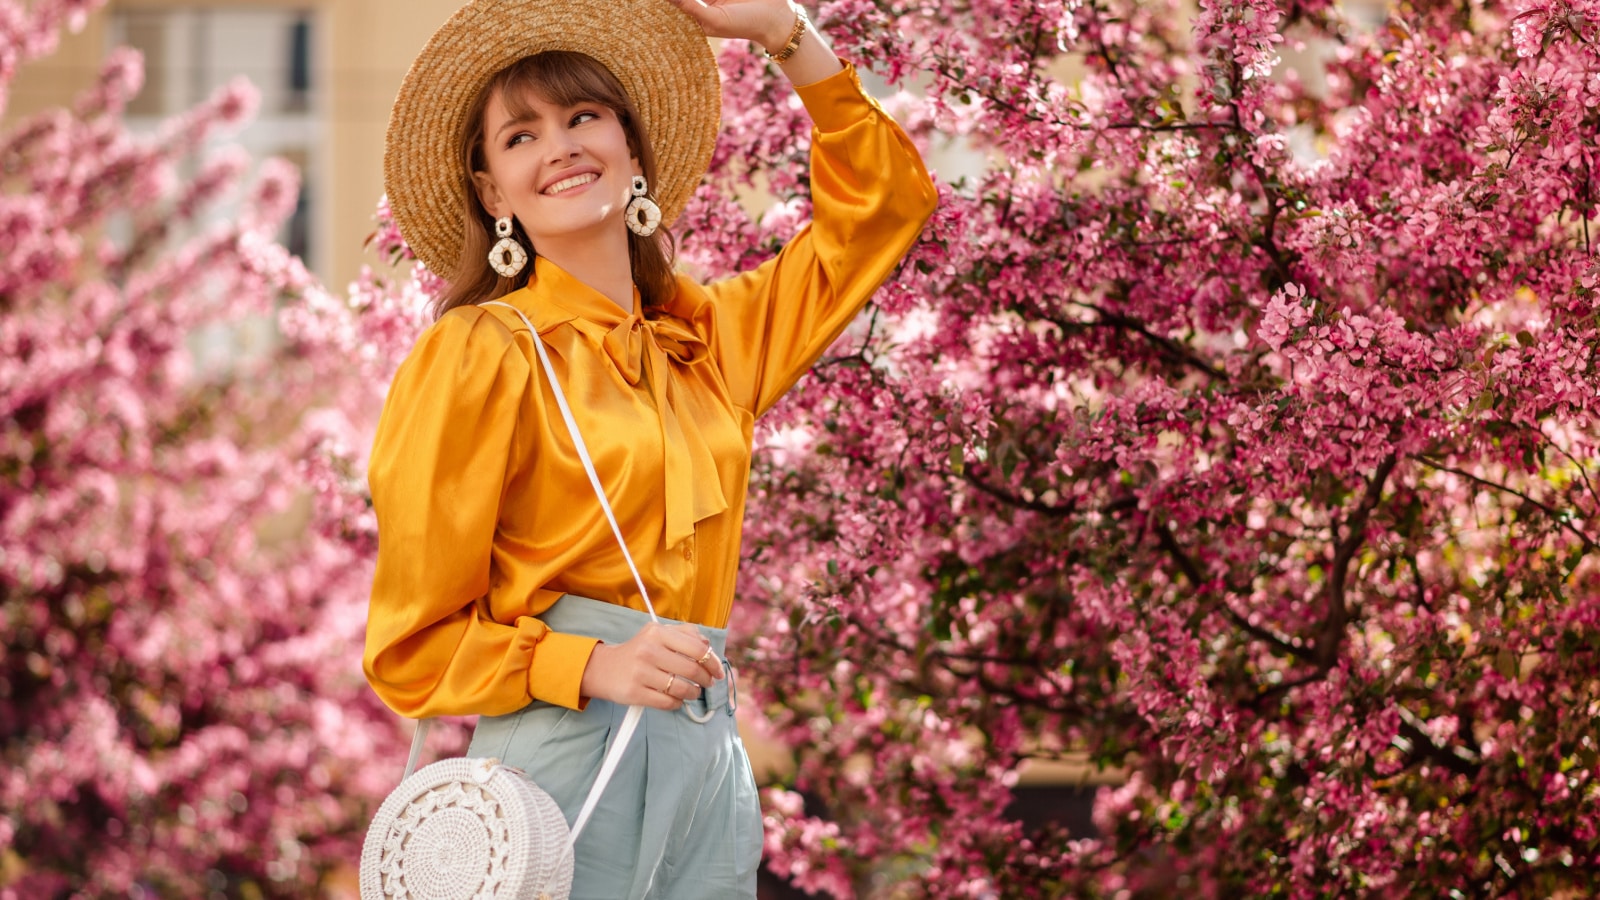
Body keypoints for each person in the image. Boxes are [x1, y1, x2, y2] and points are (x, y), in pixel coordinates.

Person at [364, 0, 936, 893]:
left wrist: (786, 31)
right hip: (560, 755)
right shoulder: (480, 354)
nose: (560, 146)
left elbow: (884, 210)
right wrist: (591, 663)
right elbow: (411, 645)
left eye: (584, 116)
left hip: (706, 758)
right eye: (521, 136)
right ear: (492, 194)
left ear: (631, 149)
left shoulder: (707, 340)